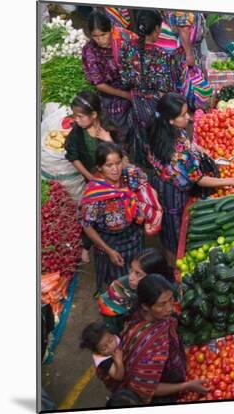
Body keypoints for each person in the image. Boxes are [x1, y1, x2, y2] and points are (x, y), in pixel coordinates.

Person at [146, 93, 234, 264]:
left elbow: (186, 142)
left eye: (187, 112)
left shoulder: (161, 129)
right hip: (173, 193)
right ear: (170, 120)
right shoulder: (176, 154)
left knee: (172, 230)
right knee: (174, 233)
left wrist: (198, 148)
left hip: (162, 182)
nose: (188, 118)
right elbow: (198, 179)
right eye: (183, 115)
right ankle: (173, 268)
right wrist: (232, 180)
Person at [79, 142, 157, 295]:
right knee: (119, 281)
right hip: (111, 242)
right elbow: (87, 226)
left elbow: (148, 189)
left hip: (133, 234)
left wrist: (151, 212)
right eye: (109, 165)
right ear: (99, 167)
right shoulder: (94, 194)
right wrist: (108, 251)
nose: (115, 169)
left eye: (117, 163)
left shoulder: (130, 175)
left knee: (137, 272)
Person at [118, 274, 209, 404]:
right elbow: (146, 388)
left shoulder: (154, 318)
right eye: (162, 304)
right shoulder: (150, 344)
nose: (170, 308)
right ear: (145, 306)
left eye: (171, 299)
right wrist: (186, 386)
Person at [65, 91, 119, 264]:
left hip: (114, 180)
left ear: (94, 115)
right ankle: (86, 245)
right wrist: (90, 177)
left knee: (113, 211)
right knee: (89, 214)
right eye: (75, 116)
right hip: (93, 180)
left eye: (80, 116)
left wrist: (108, 140)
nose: (77, 120)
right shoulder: (77, 134)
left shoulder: (109, 129)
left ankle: (113, 241)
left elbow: (122, 159)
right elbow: (73, 156)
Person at [119, 10, 179, 166]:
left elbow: (125, 80)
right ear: (157, 29)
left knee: (143, 135)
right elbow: (168, 87)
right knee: (159, 136)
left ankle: (145, 163)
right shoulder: (162, 55)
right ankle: (161, 165)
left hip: (137, 103)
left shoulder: (127, 48)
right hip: (157, 105)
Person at [82, 10, 137, 152]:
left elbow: (139, 56)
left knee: (141, 120)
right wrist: (125, 95)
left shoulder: (122, 38)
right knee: (120, 128)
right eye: (95, 36)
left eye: (103, 34)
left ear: (111, 30)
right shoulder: (90, 51)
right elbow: (99, 84)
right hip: (112, 94)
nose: (100, 39)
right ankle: (122, 153)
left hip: (132, 86)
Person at [98, 248, 173, 334]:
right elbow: (108, 316)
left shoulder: (167, 289)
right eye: (131, 270)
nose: (131, 277)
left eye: (138, 274)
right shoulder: (120, 288)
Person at [80, 321, 125, 392]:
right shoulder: (105, 362)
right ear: (97, 352)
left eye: (111, 340)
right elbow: (119, 377)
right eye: (104, 348)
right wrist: (119, 362)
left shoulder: (113, 334)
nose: (111, 347)